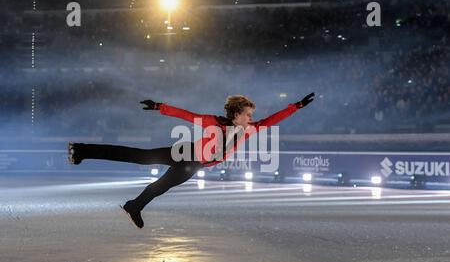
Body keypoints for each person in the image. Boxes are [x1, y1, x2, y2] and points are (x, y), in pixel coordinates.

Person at [68, 93, 315, 228]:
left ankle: (133, 206)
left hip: (194, 165)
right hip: (184, 153)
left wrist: (297, 106)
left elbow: (271, 121)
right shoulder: (212, 121)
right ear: (237, 113)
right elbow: (187, 115)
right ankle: (81, 150)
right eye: (248, 114)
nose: (252, 118)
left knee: (160, 188)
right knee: (138, 156)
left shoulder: (249, 129)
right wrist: (158, 106)